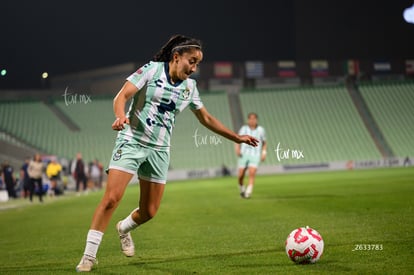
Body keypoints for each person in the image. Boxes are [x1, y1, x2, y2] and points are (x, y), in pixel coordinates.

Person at [76, 34, 258, 272]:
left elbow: (206, 118)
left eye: (197, 64)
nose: (194, 68)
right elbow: (122, 96)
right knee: (111, 198)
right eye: (191, 61)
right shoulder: (151, 70)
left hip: (160, 150)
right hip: (132, 140)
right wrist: (121, 116)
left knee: (150, 211)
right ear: (176, 56)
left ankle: (123, 228)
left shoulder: (189, 87)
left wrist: (237, 136)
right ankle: (89, 256)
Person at [235, 112, 267, 199]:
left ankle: (248, 192)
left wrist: (264, 153)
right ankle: (242, 189)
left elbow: (264, 142)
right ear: (248, 120)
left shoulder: (261, 129)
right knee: (241, 175)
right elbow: (238, 138)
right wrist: (237, 149)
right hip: (244, 154)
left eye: (254, 119)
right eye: (251, 119)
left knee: (252, 173)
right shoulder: (244, 128)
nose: (252, 120)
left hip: (255, 154)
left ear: (256, 120)